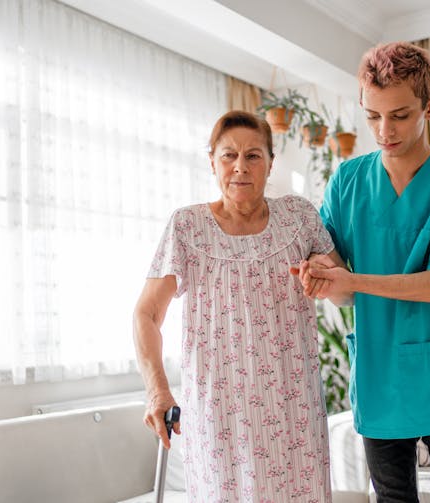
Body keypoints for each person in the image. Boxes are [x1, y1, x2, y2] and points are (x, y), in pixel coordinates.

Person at [295, 42, 430, 502]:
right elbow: (343, 291)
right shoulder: (347, 183)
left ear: (429, 107)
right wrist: (323, 276)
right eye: (372, 116)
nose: (383, 130)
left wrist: (350, 279)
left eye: (400, 115)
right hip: (378, 375)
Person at [133, 110, 342, 502]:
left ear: (270, 163)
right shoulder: (186, 227)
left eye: (253, 156)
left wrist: (325, 277)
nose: (240, 167)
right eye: (229, 156)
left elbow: (346, 292)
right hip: (219, 419)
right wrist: (157, 391)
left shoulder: (299, 218)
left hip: (293, 415)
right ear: (212, 161)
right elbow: (146, 314)